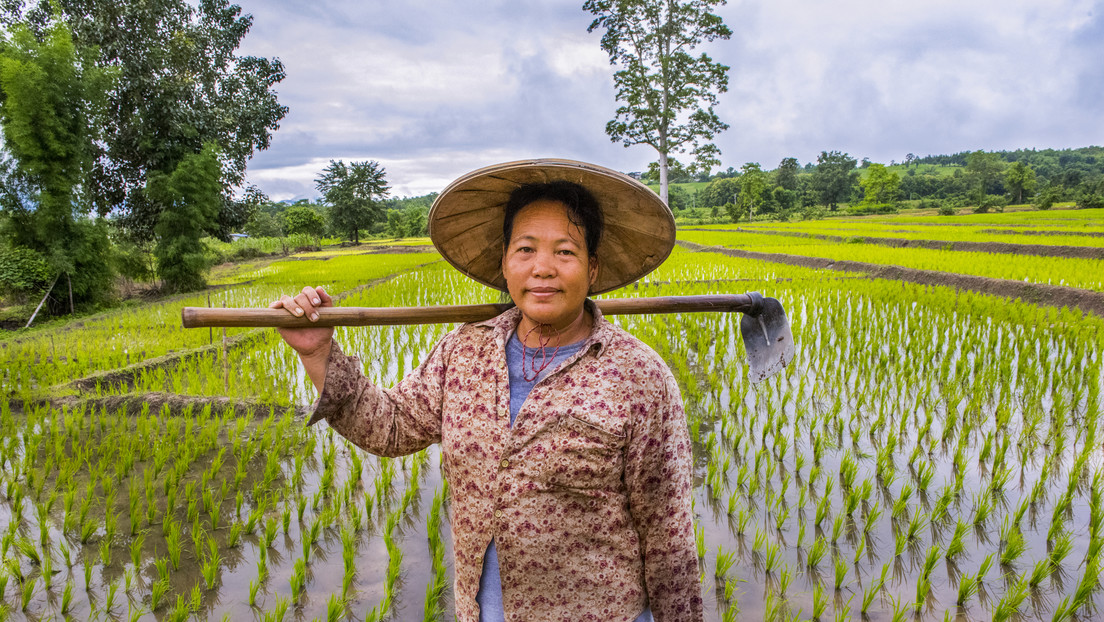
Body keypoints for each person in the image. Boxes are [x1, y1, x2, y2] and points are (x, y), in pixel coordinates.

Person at [271, 159, 703, 622]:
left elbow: (667, 536)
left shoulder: (638, 376)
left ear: (592, 268)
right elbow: (391, 428)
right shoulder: (465, 351)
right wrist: (317, 354)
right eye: (525, 249)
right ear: (504, 260)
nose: (542, 268)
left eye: (565, 252)